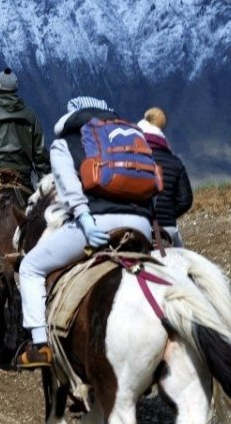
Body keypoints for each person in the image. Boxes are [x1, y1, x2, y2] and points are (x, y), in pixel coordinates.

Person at [15, 96, 154, 368]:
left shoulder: (65, 142)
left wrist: (85, 220)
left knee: (30, 267)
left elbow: (68, 189)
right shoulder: (131, 136)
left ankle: (39, 345)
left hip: (98, 223)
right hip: (141, 225)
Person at [0, 67, 51, 190]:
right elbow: (40, 154)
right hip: (22, 176)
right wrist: (45, 180)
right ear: (15, 89)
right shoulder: (29, 115)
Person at [137, 107, 193, 247]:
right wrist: (168, 214)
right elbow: (186, 200)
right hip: (169, 229)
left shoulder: (134, 159)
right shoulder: (175, 162)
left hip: (141, 228)